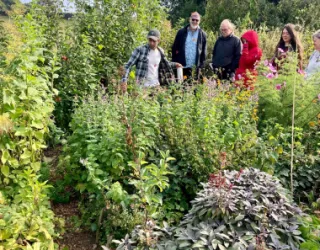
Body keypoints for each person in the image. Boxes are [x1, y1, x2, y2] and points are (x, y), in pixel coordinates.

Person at [171, 12, 207, 81]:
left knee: (194, 89)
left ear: (199, 21)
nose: (194, 21)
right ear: (189, 19)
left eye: (197, 20)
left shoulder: (203, 35)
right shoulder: (181, 32)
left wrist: (201, 66)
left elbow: (204, 53)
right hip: (182, 66)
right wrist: (175, 63)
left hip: (195, 68)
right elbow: (174, 48)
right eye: (193, 19)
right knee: (181, 88)